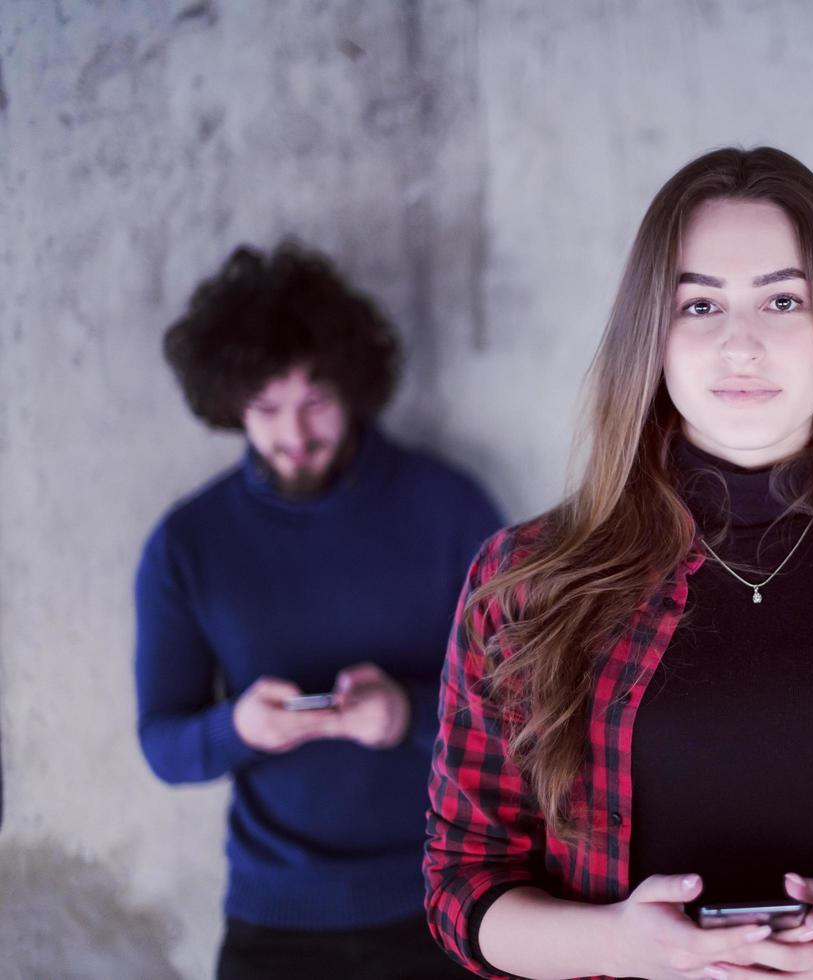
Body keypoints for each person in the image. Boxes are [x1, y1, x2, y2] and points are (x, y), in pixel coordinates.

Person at [424, 147, 813, 980]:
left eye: (782, 299)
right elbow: (460, 882)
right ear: (648, 336)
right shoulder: (526, 583)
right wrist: (619, 945)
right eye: (699, 304)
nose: (742, 344)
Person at [134, 242, 503, 979]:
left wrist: (407, 716)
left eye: (315, 403)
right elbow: (163, 743)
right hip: (274, 923)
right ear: (230, 404)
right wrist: (240, 728)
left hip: (448, 900)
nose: (294, 437)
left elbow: (525, 718)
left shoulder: (451, 510)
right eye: (267, 410)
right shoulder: (189, 544)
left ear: (355, 387)